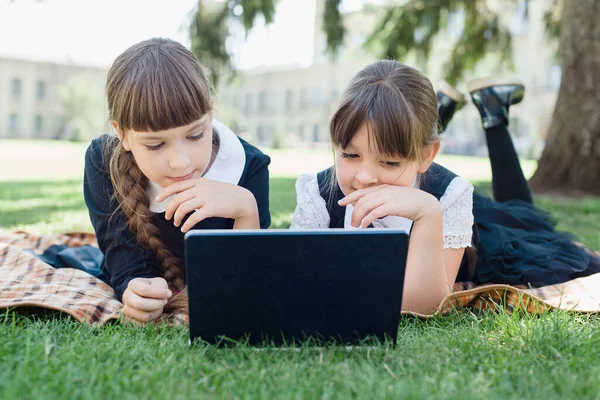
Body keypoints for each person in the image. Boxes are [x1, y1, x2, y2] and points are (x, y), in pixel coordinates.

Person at [290, 60, 600, 315]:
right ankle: (444, 110)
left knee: (528, 227)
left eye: (389, 162)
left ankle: (494, 115)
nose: (365, 176)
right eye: (350, 155)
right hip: (428, 175)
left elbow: (425, 308)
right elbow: (293, 280)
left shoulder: (449, 195)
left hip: (482, 240)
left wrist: (427, 212)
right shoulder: (317, 195)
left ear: (427, 156)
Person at [84, 38, 271, 322]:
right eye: (156, 145)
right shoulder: (102, 162)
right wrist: (136, 288)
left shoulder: (250, 167)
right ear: (121, 134)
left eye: (195, 135)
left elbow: (248, 286)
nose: (180, 162)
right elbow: (123, 260)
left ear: (210, 113)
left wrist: (246, 209)